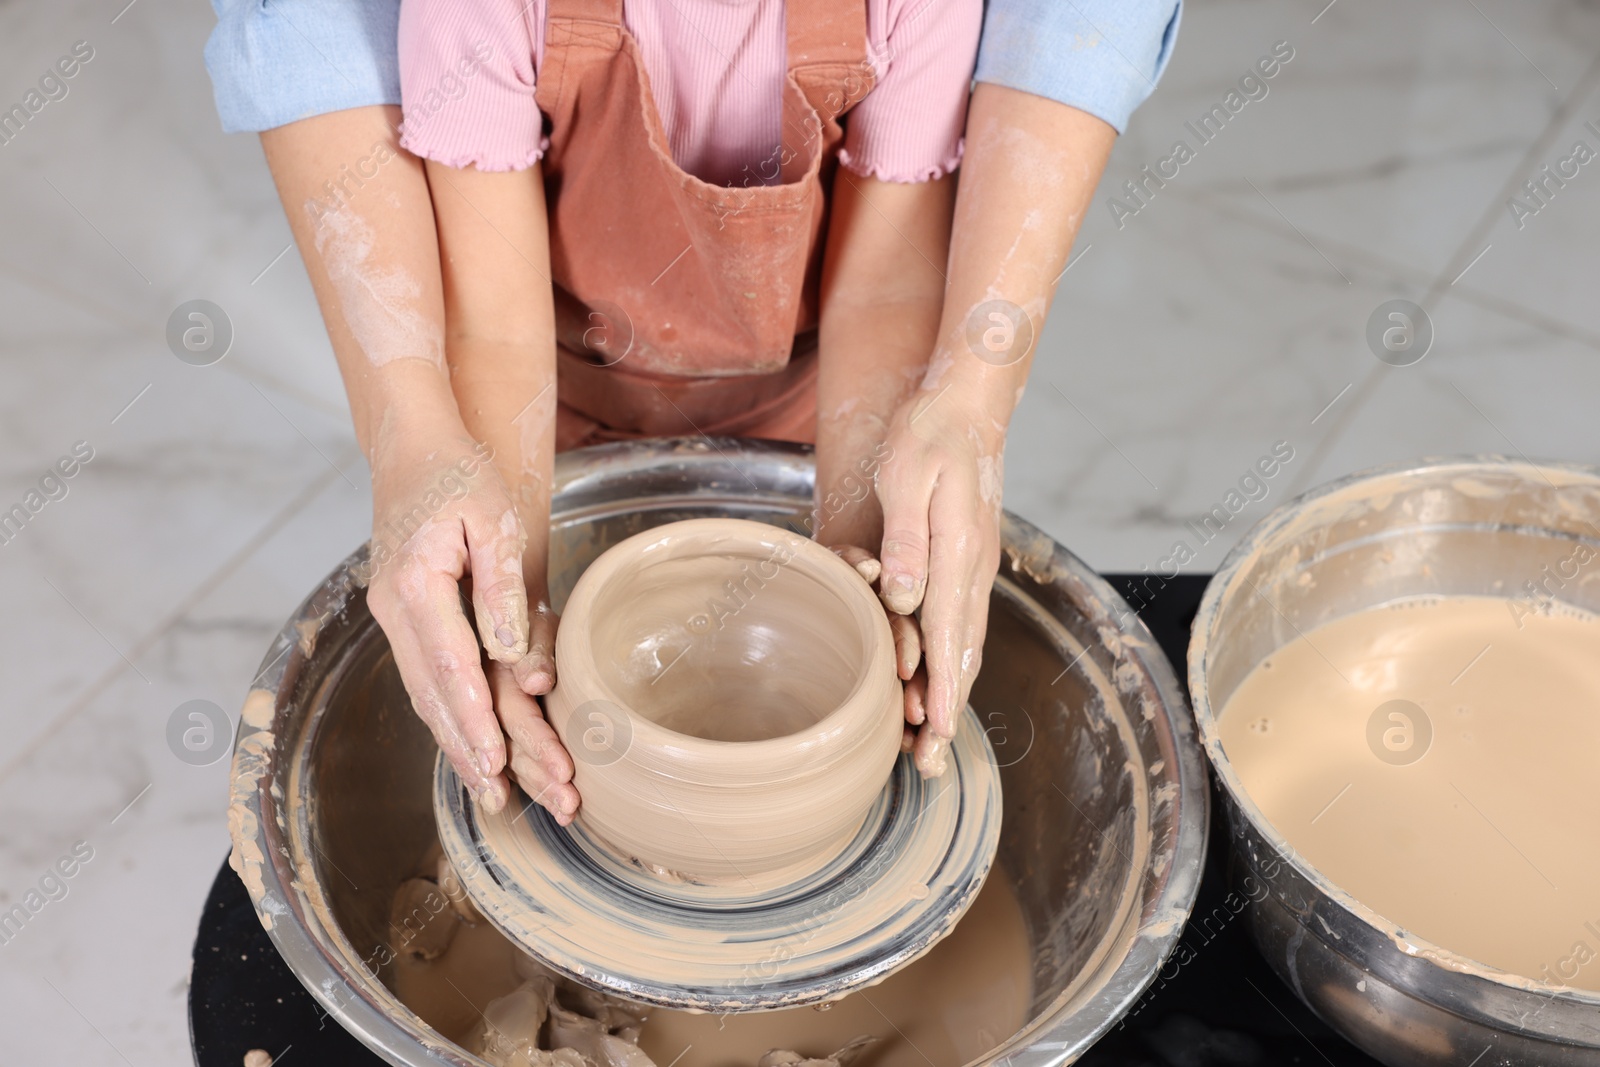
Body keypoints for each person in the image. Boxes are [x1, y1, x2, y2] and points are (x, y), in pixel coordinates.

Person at [205, 0, 1182, 825]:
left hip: (817, 388)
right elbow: (496, 334)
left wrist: (852, 602)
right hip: (560, 391)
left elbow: (882, 296)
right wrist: (520, 615)